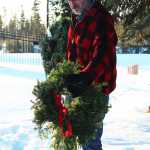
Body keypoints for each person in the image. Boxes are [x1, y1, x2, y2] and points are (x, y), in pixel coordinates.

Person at [65, 0, 118, 149]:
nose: (72, 3)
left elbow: (102, 53)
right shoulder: (77, 17)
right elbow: (72, 51)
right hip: (77, 85)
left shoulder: (101, 18)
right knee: (71, 133)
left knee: (90, 140)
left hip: (97, 89)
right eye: (69, 0)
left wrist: (86, 76)